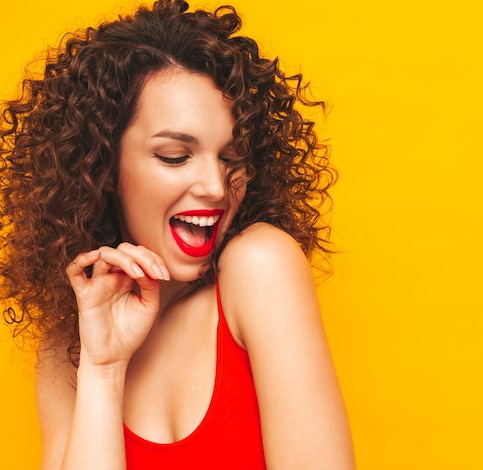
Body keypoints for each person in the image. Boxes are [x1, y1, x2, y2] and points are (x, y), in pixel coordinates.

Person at [0, 0, 355, 468]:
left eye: (230, 158)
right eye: (174, 156)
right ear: (104, 167)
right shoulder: (69, 345)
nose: (215, 187)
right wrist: (103, 370)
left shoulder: (260, 268)